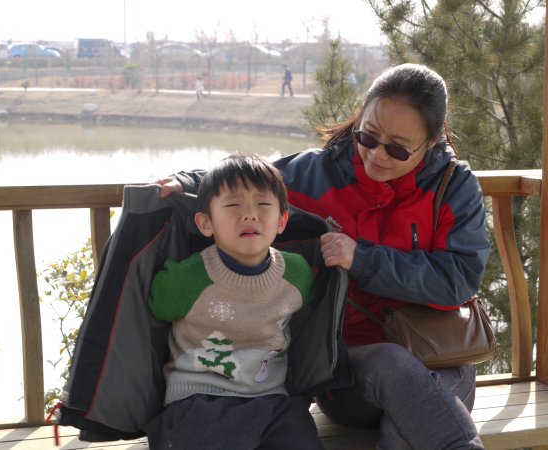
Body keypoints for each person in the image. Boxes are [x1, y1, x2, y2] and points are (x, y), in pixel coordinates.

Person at [156, 63, 489, 449]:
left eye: (397, 147)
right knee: (400, 373)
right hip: (349, 372)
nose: (377, 155)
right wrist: (189, 180)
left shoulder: (454, 186)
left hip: (439, 354)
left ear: (431, 143)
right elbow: (246, 181)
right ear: (358, 119)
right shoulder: (316, 174)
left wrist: (362, 259)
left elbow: (459, 281)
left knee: (422, 413)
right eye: (368, 136)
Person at [146, 153, 324, 450]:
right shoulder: (185, 279)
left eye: (263, 205)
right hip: (200, 397)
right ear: (205, 223)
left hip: (273, 398)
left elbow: (309, 315)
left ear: (282, 220)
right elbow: (157, 306)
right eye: (232, 205)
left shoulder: (297, 274)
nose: (250, 214)